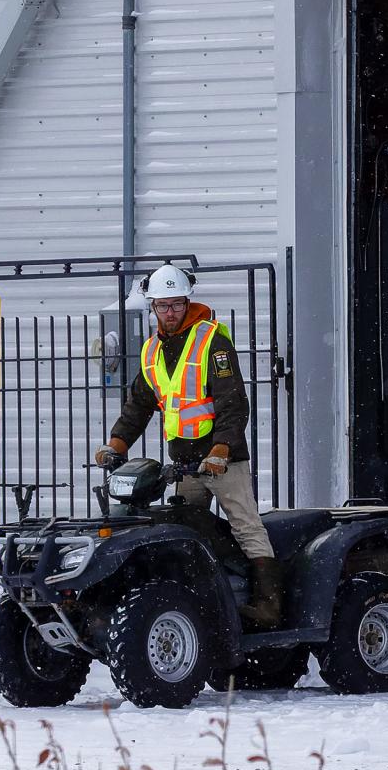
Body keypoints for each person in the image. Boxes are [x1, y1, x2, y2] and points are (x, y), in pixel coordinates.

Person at [94, 262, 281, 628]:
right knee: (185, 530)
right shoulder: (151, 352)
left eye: (177, 304)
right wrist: (116, 444)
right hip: (184, 464)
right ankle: (204, 599)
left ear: (187, 301)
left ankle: (268, 604)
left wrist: (221, 450)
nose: (170, 312)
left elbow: (232, 403)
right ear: (152, 308)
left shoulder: (213, 342)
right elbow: (139, 405)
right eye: (163, 306)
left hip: (222, 461)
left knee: (245, 524)